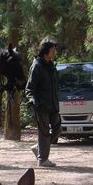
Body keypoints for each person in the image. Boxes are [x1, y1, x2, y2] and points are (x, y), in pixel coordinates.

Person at [25, 38, 61, 167]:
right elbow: (29, 89)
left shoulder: (52, 66)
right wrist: (33, 100)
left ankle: (39, 148)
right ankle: (43, 159)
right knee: (44, 134)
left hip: (53, 106)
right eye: (52, 50)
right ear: (46, 51)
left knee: (58, 129)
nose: (54, 52)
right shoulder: (37, 66)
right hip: (41, 106)